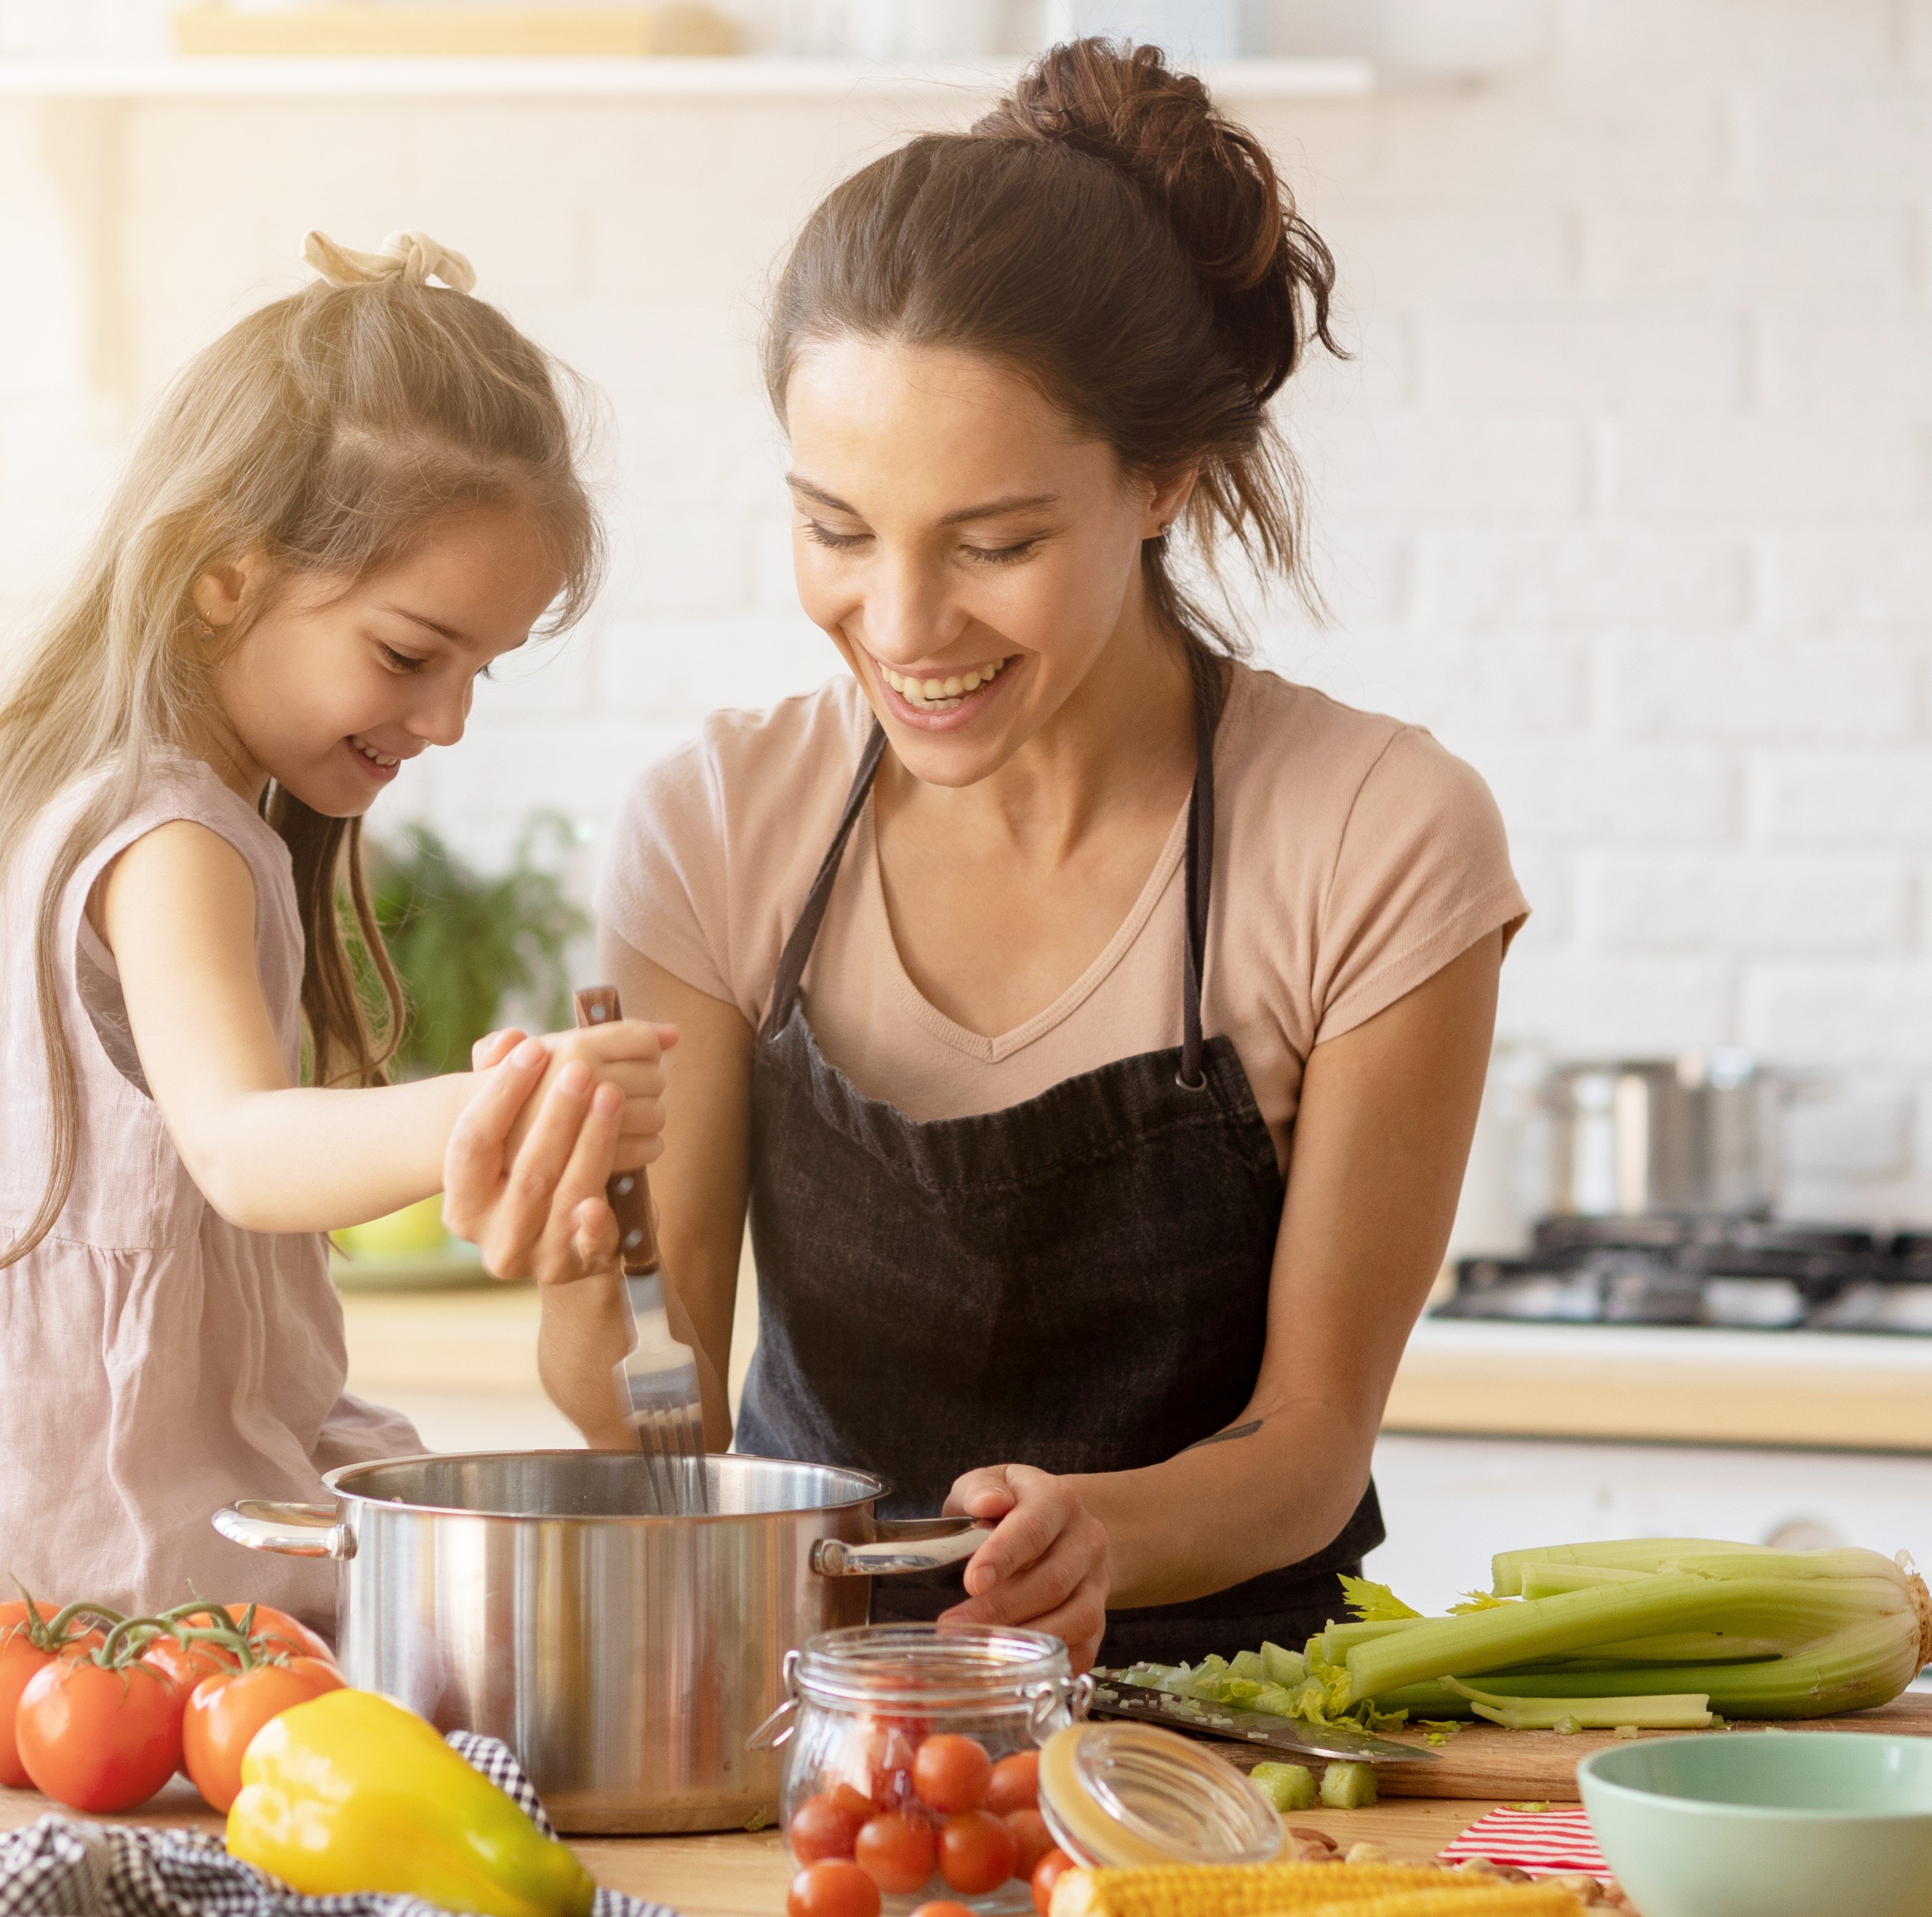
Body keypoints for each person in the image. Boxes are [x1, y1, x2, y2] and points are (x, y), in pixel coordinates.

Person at [553, 46, 1530, 1673]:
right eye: (838, 529)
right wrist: (590, 1262)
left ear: (1164, 479)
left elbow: (1310, 1442)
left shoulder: (1376, 835)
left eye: (994, 544)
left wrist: (1106, 1530)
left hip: (1239, 1723)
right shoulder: (717, 831)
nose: (907, 625)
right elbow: (658, 1420)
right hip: (818, 1719)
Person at [0, 232, 671, 1690]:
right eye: (411, 654)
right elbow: (237, 1146)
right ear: (226, 578)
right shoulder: (175, 834)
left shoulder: (89, 793)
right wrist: (494, 1099)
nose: (451, 717)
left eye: (482, 666)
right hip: (84, 1583)